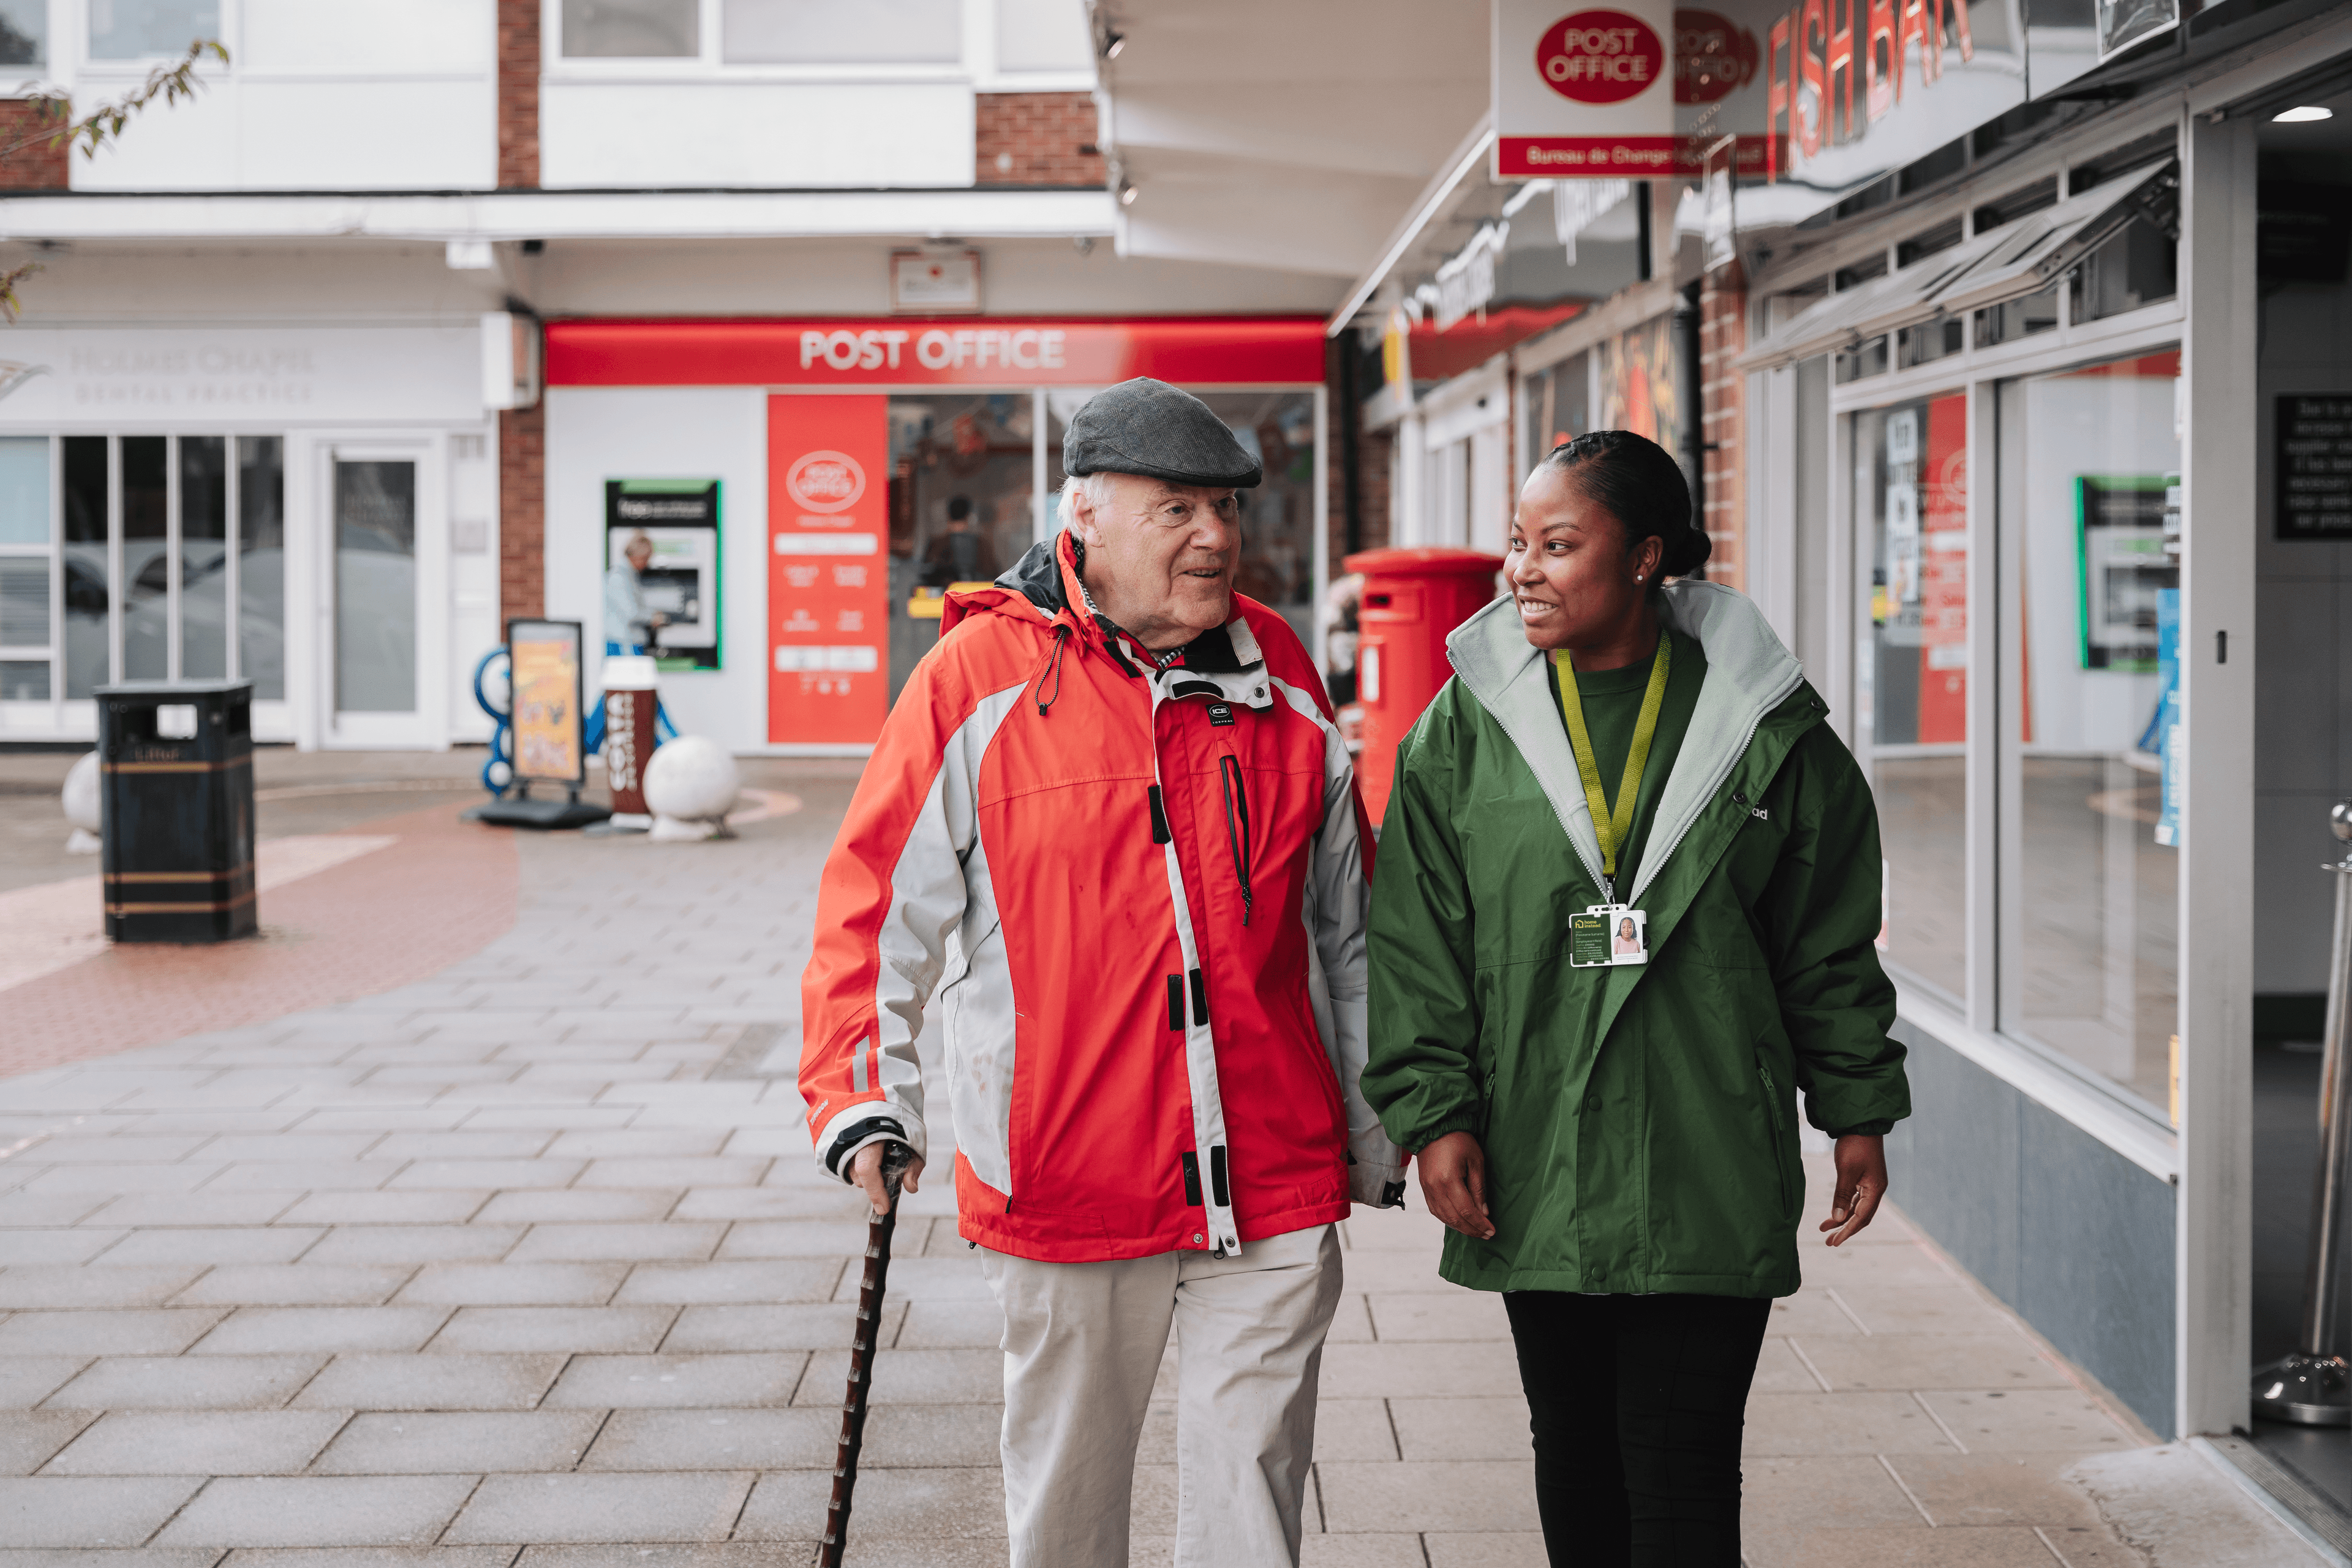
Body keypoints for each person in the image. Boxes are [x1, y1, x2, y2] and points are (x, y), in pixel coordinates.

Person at [800, 377, 1405, 1568]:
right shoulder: (976, 677)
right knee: (1069, 1513)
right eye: (1177, 506)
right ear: (1084, 514)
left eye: (1226, 506)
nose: (1217, 535)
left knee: (1255, 1510)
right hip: (1070, 1176)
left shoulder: (1277, 665)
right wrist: (864, 1093)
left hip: (1273, 1171)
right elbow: (873, 911)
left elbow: (1349, 925)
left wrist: (1388, 1118)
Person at [1361, 429, 1910, 1567]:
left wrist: (1857, 1108)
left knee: (1683, 1459)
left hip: (1707, 1140)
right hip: (1535, 1144)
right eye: (1519, 543)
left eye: (1558, 544)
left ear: (1648, 556)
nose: (1523, 569)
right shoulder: (1464, 731)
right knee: (1571, 1448)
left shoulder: (1770, 734)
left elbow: (1828, 944)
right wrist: (1435, 1113)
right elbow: (1419, 941)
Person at [603, 530, 666, 654]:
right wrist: (653, 618)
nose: (647, 564)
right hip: (623, 645)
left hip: (629, 643)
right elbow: (631, 613)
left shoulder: (628, 575)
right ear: (638, 556)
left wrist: (652, 613)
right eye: (646, 559)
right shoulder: (619, 577)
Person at [921, 494, 1000, 586]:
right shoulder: (982, 545)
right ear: (969, 515)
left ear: (948, 514)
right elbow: (993, 575)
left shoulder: (936, 544)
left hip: (945, 598)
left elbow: (926, 577)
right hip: (976, 596)